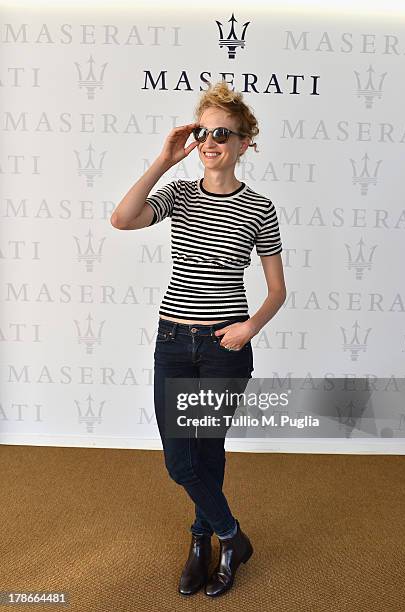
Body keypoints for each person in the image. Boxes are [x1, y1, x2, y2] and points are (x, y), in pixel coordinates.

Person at [110, 80, 287, 597]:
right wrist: (165, 159)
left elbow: (277, 290)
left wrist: (250, 326)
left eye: (224, 134)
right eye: (204, 131)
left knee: (206, 455)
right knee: (180, 459)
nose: (211, 141)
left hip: (223, 348)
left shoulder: (261, 208)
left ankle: (199, 541)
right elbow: (122, 219)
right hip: (173, 342)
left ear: (244, 144)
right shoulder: (179, 193)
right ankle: (230, 537)